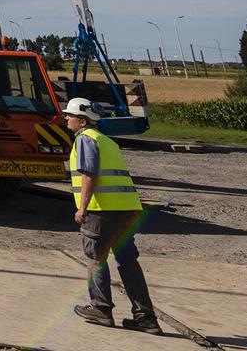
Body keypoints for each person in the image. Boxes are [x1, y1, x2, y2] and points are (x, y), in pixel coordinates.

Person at [65, 97, 161, 334]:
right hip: (126, 210)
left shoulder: (85, 140)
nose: (66, 118)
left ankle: (100, 308)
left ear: (81, 120)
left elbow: (89, 174)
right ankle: (145, 316)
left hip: (102, 210)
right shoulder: (107, 141)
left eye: (69, 115)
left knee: (96, 258)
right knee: (128, 262)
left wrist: (82, 208)